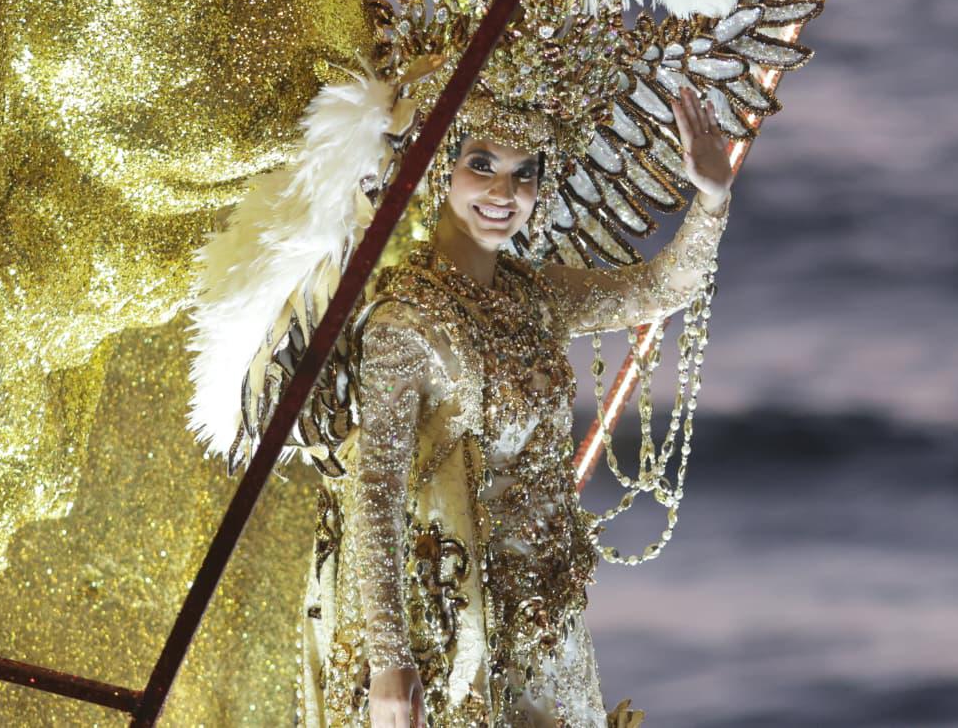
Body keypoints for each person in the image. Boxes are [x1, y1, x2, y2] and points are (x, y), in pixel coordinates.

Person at [297, 86, 731, 727]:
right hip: (458, 631)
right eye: (482, 165)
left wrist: (712, 198)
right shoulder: (404, 322)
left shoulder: (535, 296)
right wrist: (390, 661)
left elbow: (660, 289)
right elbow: (376, 492)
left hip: (548, 625)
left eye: (524, 174)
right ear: (443, 167)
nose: (504, 193)